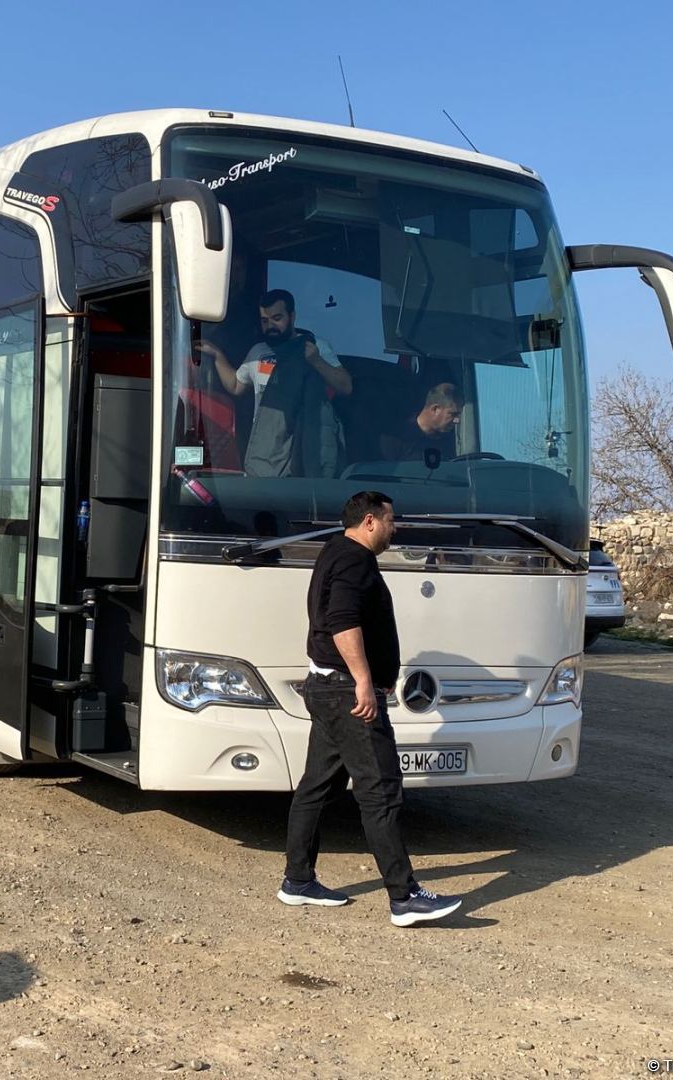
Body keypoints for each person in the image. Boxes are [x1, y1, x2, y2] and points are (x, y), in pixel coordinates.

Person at [277, 490, 464, 927]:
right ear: (369, 522)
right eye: (390, 520)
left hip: (327, 687)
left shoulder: (334, 553)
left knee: (316, 787)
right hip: (346, 692)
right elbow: (342, 622)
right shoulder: (354, 560)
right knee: (380, 789)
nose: (394, 529)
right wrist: (363, 681)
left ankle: (298, 881)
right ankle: (405, 897)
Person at [199, 289, 352, 478]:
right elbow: (236, 386)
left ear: (292, 316)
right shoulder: (257, 351)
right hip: (268, 451)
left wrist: (316, 361)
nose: (270, 325)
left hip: (305, 448)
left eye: (277, 318)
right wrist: (217, 356)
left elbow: (345, 386)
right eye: (265, 321)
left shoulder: (314, 347)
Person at [379, 382, 462, 462]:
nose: (457, 420)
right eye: (453, 414)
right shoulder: (395, 438)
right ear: (435, 409)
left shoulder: (451, 441)